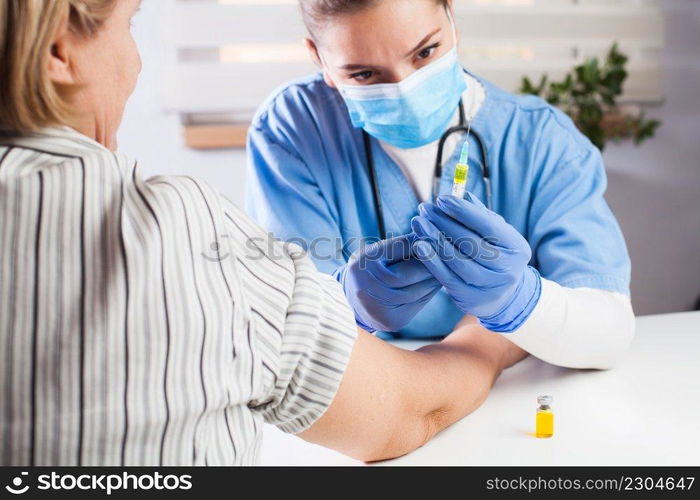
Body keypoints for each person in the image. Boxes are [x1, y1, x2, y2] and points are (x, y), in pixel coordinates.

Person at [0, 0, 526, 466]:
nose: (136, 61)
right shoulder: (170, 224)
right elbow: (404, 414)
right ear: (58, 52)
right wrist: (492, 333)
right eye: (130, 24)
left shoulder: (528, 129)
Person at [246, 0, 635, 368]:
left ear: (451, 14)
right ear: (319, 58)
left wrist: (522, 302)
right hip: (366, 386)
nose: (406, 90)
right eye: (364, 74)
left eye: (425, 53)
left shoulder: (539, 140)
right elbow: (282, 332)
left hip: (518, 392)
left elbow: (610, 334)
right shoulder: (294, 129)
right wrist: (347, 302)